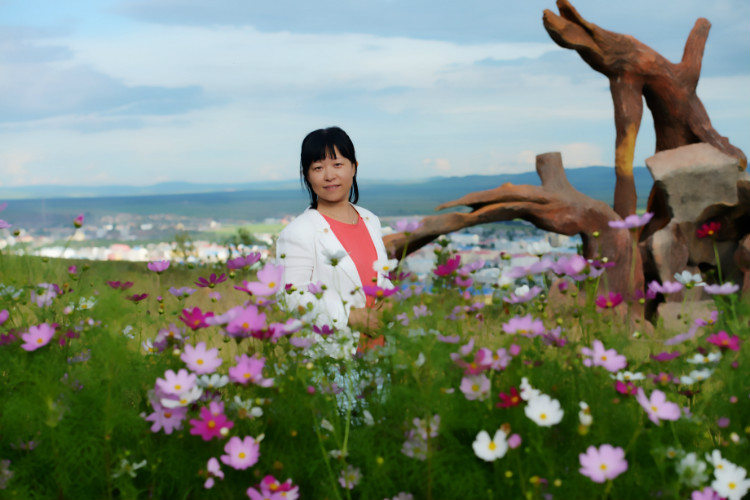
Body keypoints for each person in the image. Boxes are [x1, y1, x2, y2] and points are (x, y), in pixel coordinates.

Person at [276, 127, 392, 340]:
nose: (329, 176)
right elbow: (289, 297)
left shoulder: (370, 220)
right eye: (318, 168)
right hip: (335, 353)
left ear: (354, 168)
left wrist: (391, 300)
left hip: (381, 348)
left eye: (338, 165)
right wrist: (349, 316)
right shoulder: (298, 232)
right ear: (307, 175)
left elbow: (377, 277)